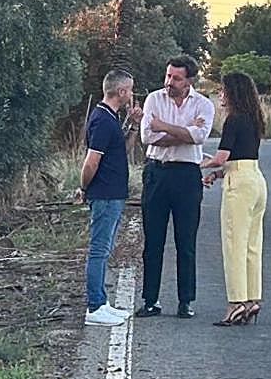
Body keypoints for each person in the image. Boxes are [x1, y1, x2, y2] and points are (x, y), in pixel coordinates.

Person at [137, 55, 215, 319]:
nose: (170, 82)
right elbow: (147, 136)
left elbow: (199, 137)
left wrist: (164, 127)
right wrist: (183, 132)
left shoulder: (203, 104)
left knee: (186, 240)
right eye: (168, 76)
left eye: (177, 78)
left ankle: (186, 301)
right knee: (153, 240)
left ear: (189, 80)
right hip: (157, 173)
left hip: (186, 175)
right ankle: (150, 300)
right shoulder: (154, 99)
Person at [201, 72, 268, 326]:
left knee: (234, 243)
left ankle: (235, 302)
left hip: (239, 186)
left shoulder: (233, 120)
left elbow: (222, 156)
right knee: (252, 244)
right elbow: (241, 159)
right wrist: (218, 174)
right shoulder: (254, 120)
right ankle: (251, 298)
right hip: (255, 180)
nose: (220, 94)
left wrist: (200, 164)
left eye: (223, 90)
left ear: (233, 93)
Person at [76, 69, 142, 327]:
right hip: (104, 193)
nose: (132, 95)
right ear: (122, 91)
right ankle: (94, 306)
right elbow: (91, 162)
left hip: (113, 193)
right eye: (130, 89)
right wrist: (84, 187)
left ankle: (102, 302)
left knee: (104, 249)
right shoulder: (102, 120)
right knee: (99, 249)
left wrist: (132, 124)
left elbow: (121, 149)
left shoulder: (111, 118)